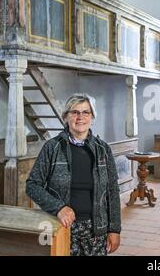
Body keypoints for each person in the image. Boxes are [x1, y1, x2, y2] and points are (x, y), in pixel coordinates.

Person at [26, 93, 121, 256]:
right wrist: (59, 208)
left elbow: (112, 191)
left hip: (96, 230)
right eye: (75, 112)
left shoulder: (103, 149)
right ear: (66, 117)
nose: (80, 117)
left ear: (92, 117)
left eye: (86, 112)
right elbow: (32, 185)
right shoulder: (52, 148)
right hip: (62, 227)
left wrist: (114, 229)